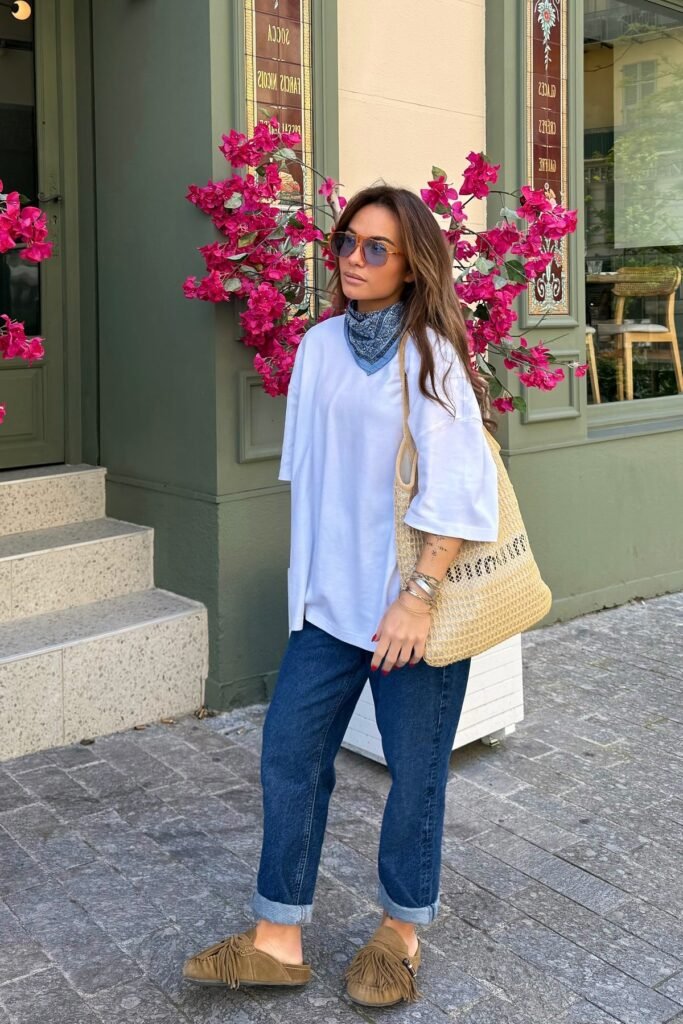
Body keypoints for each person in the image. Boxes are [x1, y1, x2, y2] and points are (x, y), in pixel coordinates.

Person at [183, 183, 499, 1008]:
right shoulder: (321, 345)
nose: (352, 260)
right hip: (328, 608)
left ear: (411, 265)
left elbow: (463, 489)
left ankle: (399, 931)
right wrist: (309, 592)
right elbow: (313, 483)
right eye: (345, 243)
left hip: (407, 611)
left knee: (415, 772)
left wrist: (419, 594)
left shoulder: (430, 355)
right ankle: (278, 938)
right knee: (290, 754)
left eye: (375, 248)